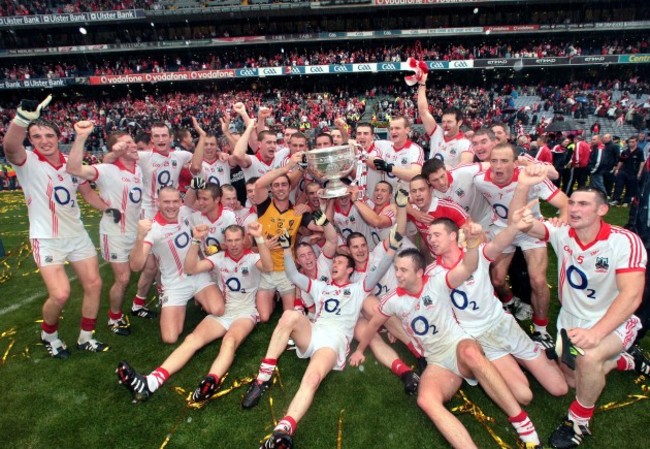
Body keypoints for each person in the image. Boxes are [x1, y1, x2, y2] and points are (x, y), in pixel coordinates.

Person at [350, 228, 544, 449]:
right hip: (437, 360)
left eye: (403, 270)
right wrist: (359, 349)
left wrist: (471, 245)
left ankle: (523, 425)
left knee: (473, 355)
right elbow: (374, 323)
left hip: (459, 345)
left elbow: (468, 266)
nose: (398, 275)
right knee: (425, 400)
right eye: (396, 270)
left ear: (419, 272)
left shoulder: (438, 282)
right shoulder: (393, 300)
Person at [509, 182, 649, 448]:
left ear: (602, 210)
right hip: (571, 320)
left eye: (583, 204)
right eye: (571, 202)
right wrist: (520, 210)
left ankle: (578, 421)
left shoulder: (624, 241)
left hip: (612, 322)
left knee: (589, 358)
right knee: (572, 379)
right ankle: (624, 361)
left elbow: (631, 296)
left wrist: (596, 333)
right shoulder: (563, 233)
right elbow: (526, 225)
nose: (573, 208)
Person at [242, 225, 403, 449]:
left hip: (333, 341)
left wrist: (392, 248)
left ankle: (283, 431)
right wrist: (288, 249)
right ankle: (262, 378)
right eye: (334, 262)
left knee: (312, 379)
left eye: (339, 263)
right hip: (315, 331)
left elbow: (378, 271)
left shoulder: (359, 288)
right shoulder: (321, 287)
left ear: (349, 270)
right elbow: (293, 275)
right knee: (289, 316)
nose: (334, 265)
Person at [115, 222, 273, 403]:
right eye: (229, 240)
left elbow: (268, 267)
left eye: (237, 240)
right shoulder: (219, 258)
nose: (234, 244)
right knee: (192, 340)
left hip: (245, 312)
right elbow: (190, 268)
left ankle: (210, 380)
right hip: (224, 312)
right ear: (225, 241)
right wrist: (196, 240)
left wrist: (259, 237)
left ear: (245, 239)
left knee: (229, 341)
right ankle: (151, 381)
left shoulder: (252, 258)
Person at [4, 96, 108, 357]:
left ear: (57, 136)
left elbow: (87, 193)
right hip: (47, 237)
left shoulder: (69, 161)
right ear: (31, 139)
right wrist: (21, 119)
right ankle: (49, 334)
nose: (44, 141)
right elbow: (9, 146)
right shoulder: (27, 160)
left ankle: (86, 337)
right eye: (37, 136)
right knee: (61, 294)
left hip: (77, 234)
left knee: (94, 285)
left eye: (49, 135)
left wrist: (108, 208)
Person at [424, 217, 568, 404]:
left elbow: (499, 242)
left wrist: (516, 225)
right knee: (524, 396)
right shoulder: (432, 274)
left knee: (559, 388)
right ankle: (517, 360)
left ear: (453, 236)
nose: (431, 240)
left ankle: (532, 354)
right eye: (429, 236)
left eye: (436, 235)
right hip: (480, 336)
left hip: (503, 324)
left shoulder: (475, 254)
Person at [473, 144, 568, 353]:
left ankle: (541, 329)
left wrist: (562, 221)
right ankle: (509, 302)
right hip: (502, 229)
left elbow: (565, 203)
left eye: (504, 161)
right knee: (497, 279)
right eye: (494, 161)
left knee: (538, 279)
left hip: (529, 229)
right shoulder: (480, 181)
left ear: (515, 163)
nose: (497, 166)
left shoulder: (530, 179)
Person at [66, 121, 147, 336]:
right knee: (123, 279)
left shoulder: (138, 168)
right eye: (126, 144)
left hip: (135, 231)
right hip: (115, 233)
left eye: (132, 141)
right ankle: (114, 317)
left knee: (150, 266)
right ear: (116, 149)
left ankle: (139, 304)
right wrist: (81, 137)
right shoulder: (107, 170)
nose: (132, 145)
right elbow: (73, 169)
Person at [129, 187, 225, 344]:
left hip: (198, 275)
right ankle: (191, 302)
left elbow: (209, 205)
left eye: (175, 201)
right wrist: (140, 237)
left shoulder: (186, 212)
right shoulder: (152, 229)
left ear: (181, 202)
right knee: (170, 338)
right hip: (174, 284)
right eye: (166, 202)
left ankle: (199, 299)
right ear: (158, 203)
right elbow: (135, 266)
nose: (171, 206)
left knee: (218, 310)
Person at [417, 73, 473, 167]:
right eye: (443, 122)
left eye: (449, 122)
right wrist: (422, 84)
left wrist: (445, 171)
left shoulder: (465, 143)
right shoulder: (437, 133)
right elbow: (423, 111)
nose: (445, 125)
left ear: (459, 122)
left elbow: (465, 165)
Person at [610, 135, 645, 207]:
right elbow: (621, 161)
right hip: (623, 171)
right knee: (618, 185)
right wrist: (617, 169)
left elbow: (642, 162)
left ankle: (627, 201)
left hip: (633, 172)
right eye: (630, 142)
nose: (631, 143)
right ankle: (616, 199)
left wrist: (639, 172)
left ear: (636, 142)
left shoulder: (639, 151)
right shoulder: (625, 151)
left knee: (630, 187)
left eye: (633, 142)